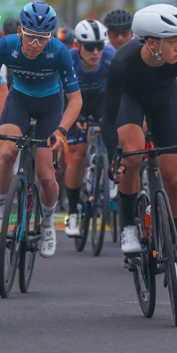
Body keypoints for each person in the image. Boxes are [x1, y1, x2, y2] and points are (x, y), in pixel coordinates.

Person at [104, 4, 177, 284]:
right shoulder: (123, 61)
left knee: (174, 179)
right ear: (151, 42)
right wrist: (115, 157)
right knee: (132, 155)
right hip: (129, 102)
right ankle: (129, 228)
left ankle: (173, 247)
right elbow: (108, 119)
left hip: (164, 102)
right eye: (173, 41)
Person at [0, 2, 81, 259]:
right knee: (7, 154)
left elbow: (75, 100)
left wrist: (61, 131)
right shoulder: (4, 46)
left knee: (46, 175)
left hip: (50, 105)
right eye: (31, 37)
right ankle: (0, 217)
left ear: (51, 37)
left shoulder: (59, 52)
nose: (35, 45)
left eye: (42, 39)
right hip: (20, 100)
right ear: (21, 31)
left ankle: (47, 224)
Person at [63, 18, 116, 237]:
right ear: (77, 46)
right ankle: (73, 212)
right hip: (75, 104)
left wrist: (110, 118)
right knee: (77, 155)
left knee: (116, 140)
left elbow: (118, 92)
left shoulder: (111, 59)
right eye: (90, 47)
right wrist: (78, 117)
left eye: (100, 47)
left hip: (103, 103)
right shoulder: (68, 59)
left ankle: (111, 179)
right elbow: (61, 94)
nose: (96, 52)